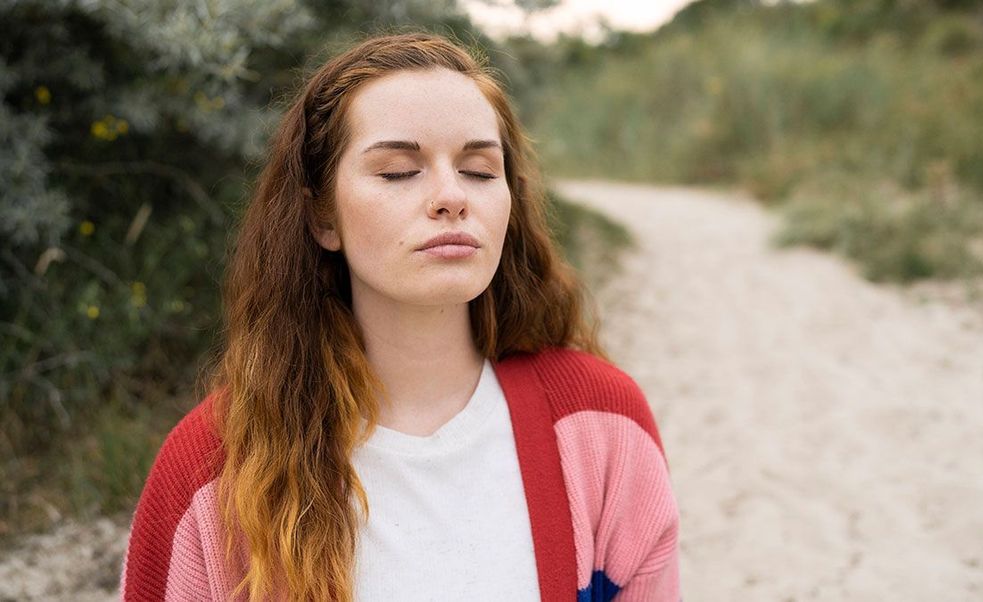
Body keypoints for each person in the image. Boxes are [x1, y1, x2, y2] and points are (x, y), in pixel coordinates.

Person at [119, 31, 680, 602]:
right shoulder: (211, 471)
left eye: (480, 171)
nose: (450, 196)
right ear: (322, 217)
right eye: (397, 171)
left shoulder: (601, 423)